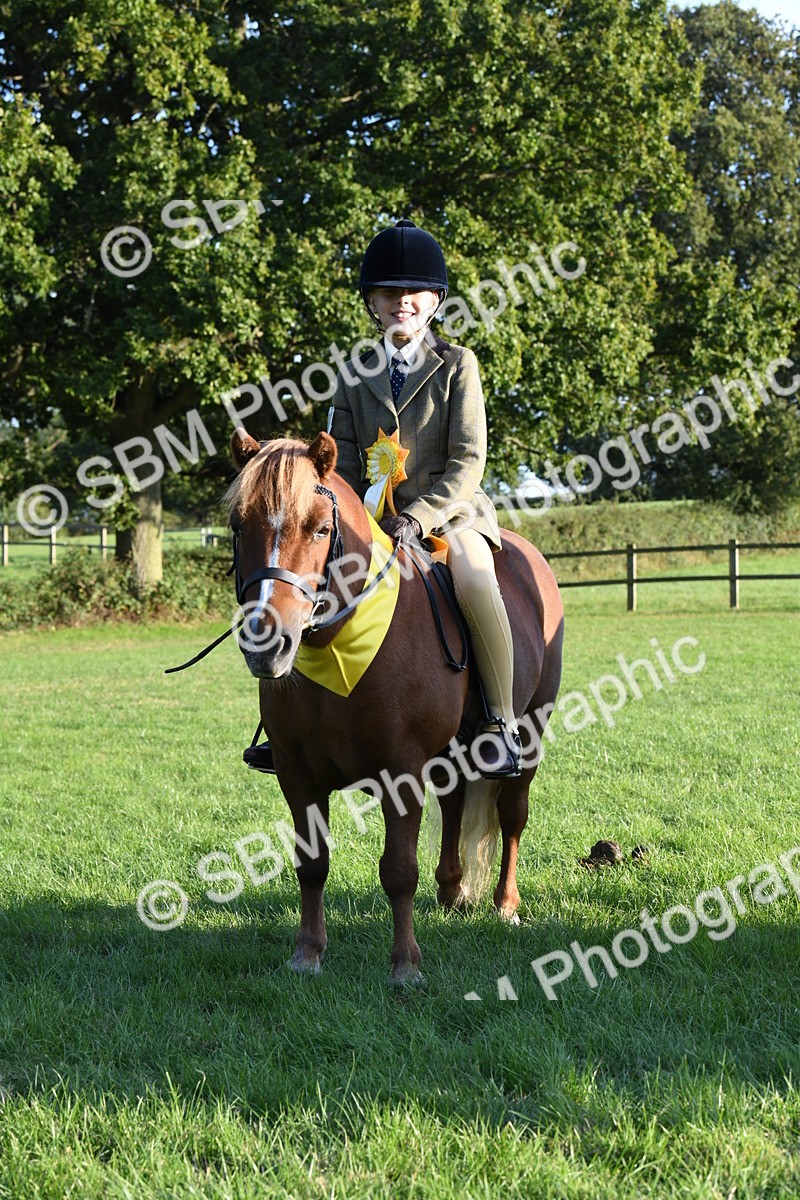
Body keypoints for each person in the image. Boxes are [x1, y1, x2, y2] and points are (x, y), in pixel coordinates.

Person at [244, 218, 521, 779]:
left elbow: (468, 462)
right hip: (367, 519)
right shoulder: (353, 372)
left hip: (448, 513)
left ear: (435, 301)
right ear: (372, 302)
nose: (402, 302)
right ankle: (288, 727)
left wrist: (418, 518)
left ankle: (499, 721)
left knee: (472, 574)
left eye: (413, 293)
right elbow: (337, 461)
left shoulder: (458, 365)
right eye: (389, 293)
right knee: (302, 580)